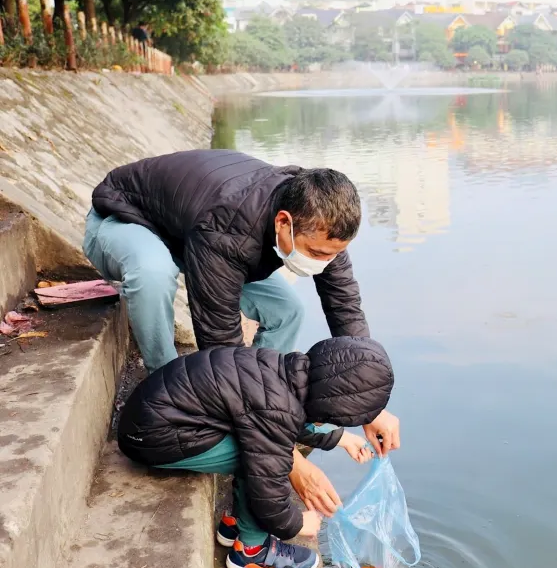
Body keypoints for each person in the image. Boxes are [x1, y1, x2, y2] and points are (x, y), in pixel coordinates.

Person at [85, 150, 401, 515]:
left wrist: (370, 405)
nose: (324, 262)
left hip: (192, 236)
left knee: (287, 311)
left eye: (333, 255)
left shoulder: (321, 223)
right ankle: (164, 378)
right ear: (283, 223)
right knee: (154, 273)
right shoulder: (228, 229)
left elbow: (345, 308)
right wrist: (286, 458)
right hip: (123, 223)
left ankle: (277, 403)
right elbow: (224, 360)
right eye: (317, 252)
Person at [117, 337, 394, 568]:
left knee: (265, 446)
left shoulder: (285, 372)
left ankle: (238, 525)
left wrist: (341, 438)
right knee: (264, 461)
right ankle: (252, 551)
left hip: (157, 418)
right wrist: (296, 523)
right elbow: (268, 484)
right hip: (152, 438)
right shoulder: (278, 408)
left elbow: (288, 419)